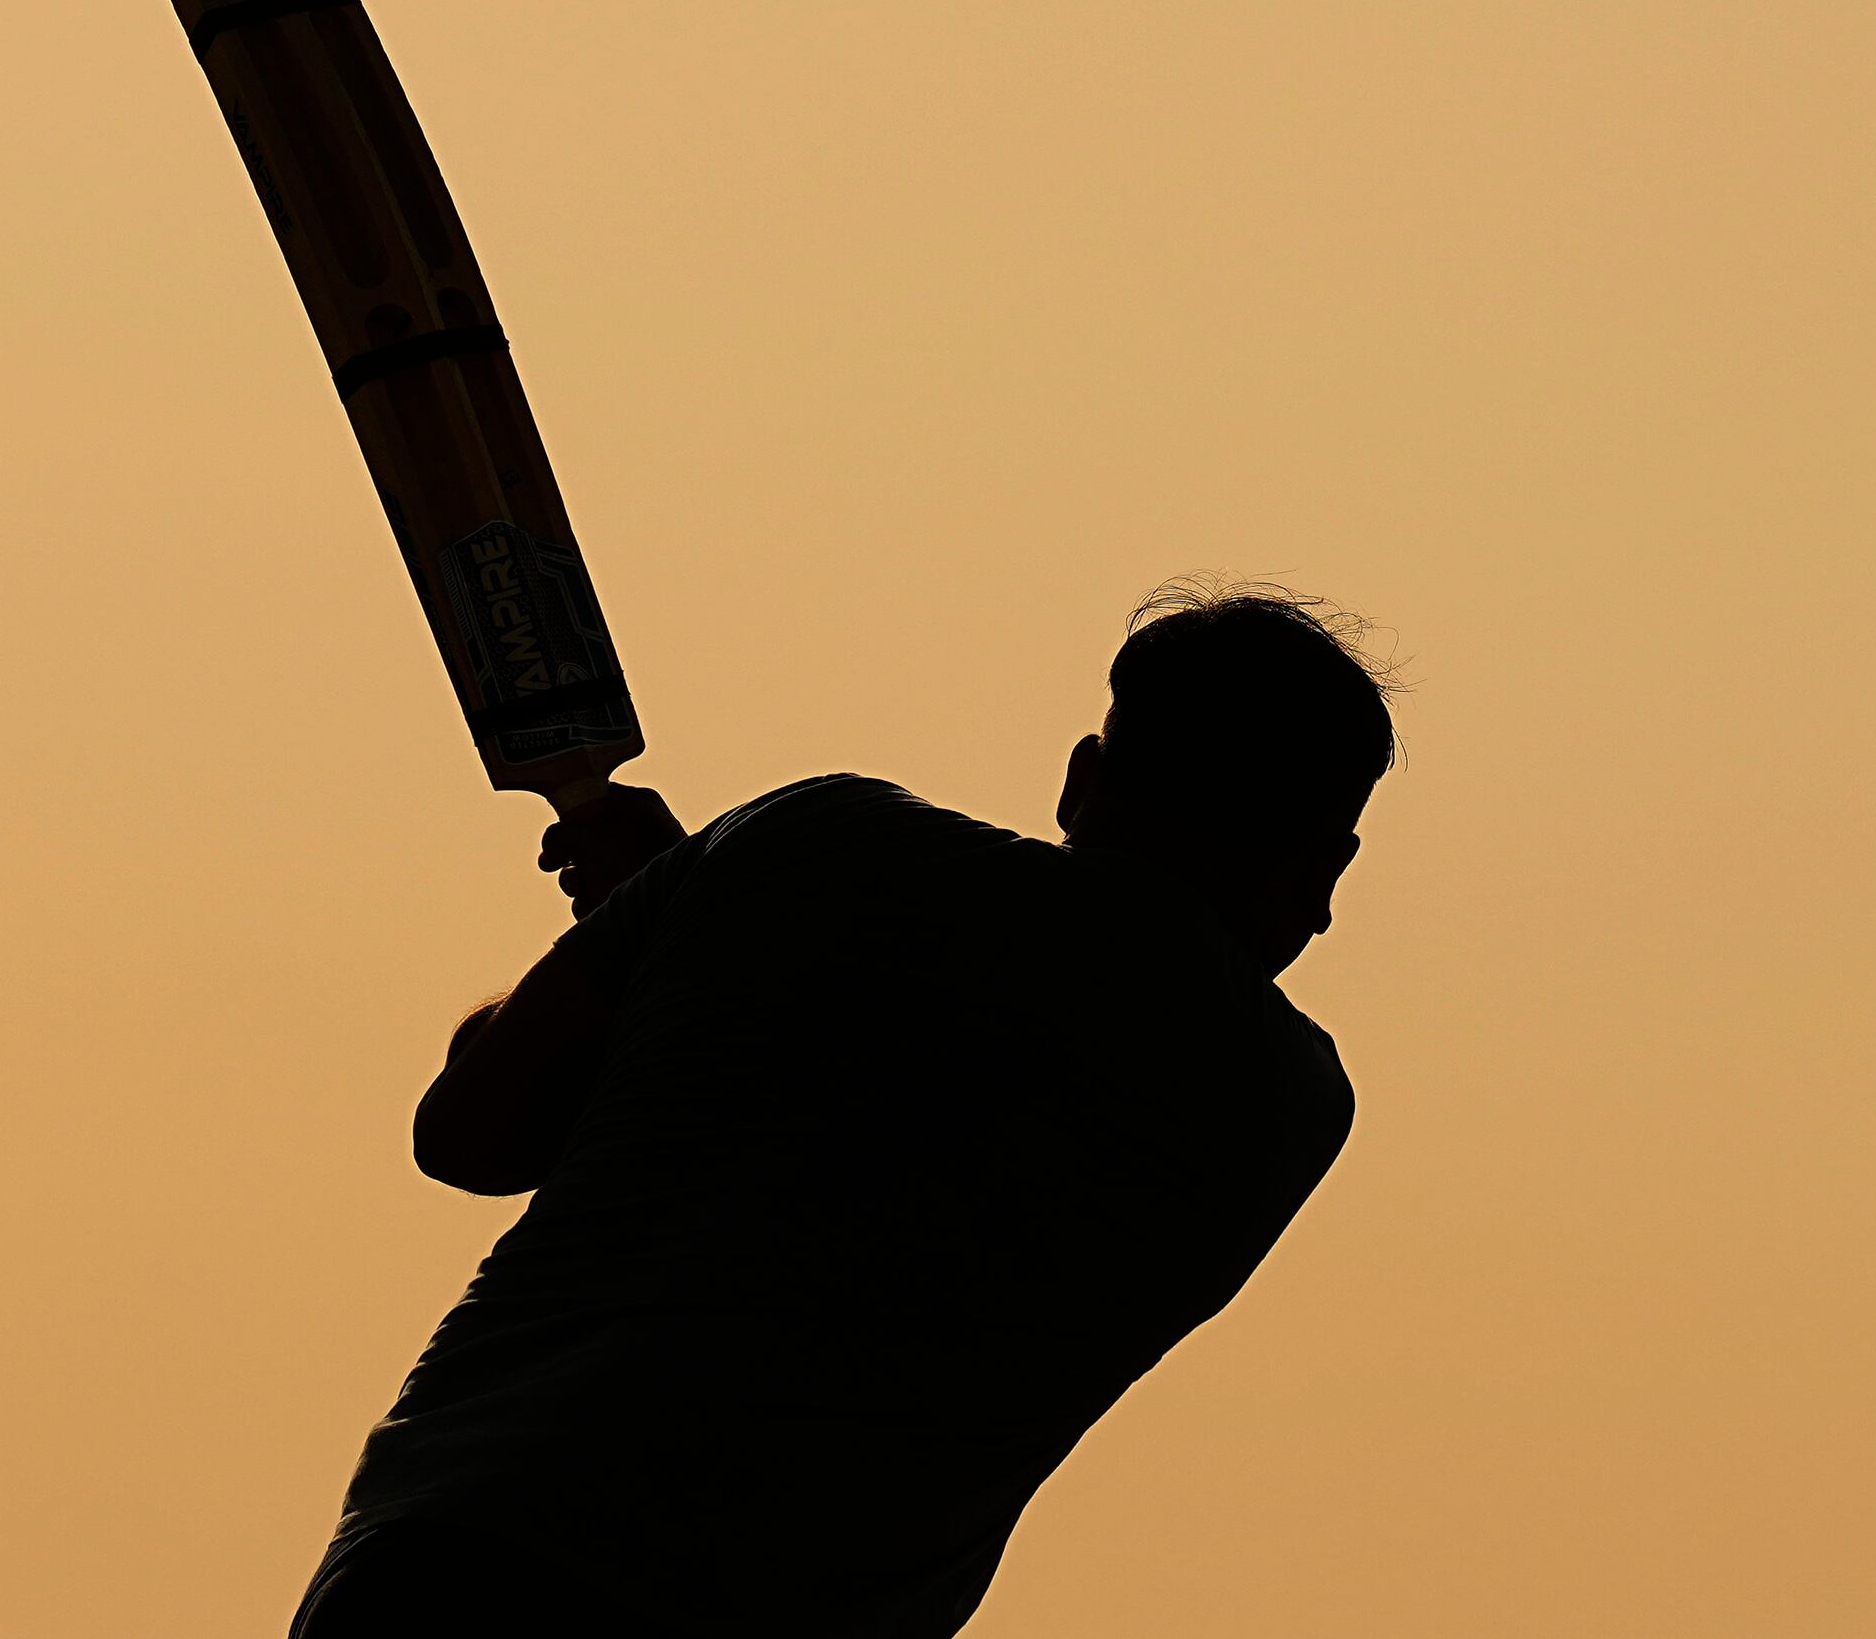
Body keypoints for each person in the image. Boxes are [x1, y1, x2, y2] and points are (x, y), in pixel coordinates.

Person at [283, 586, 1398, 1639]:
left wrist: (668, 922)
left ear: (1082, 780)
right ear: (1325, 865)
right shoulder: (1282, 1105)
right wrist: (683, 928)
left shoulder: (813, 840)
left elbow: (474, 1131)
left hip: (461, 1549)